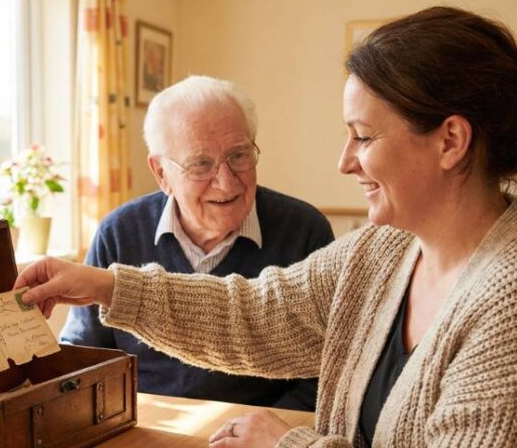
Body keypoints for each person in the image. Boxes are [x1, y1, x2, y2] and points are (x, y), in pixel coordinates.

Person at [17, 6, 517, 448]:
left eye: (364, 137)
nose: (344, 161)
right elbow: (259, 316)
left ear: (451, 141)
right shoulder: (388, 250)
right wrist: (104, 287)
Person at [61, 75, 334, 412]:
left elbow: (328, 370)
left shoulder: (304, 230)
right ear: (161, 172)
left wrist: (267, 427)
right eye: (201, 164)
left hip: (260, 435)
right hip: (146, 426)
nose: (225, 181)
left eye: (239, 155)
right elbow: (84, 356)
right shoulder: (119, 231)